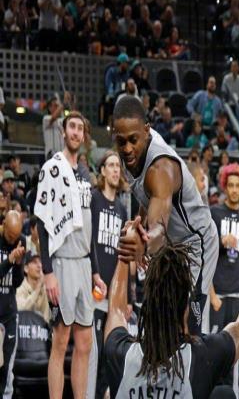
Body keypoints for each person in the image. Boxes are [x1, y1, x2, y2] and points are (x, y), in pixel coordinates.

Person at [104, 221, 239, 398]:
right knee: (224, 394)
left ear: (147, 306)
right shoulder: (200, 357)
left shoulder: (121, 354)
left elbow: (116, 310)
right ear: (185, 309)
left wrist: (126, 250)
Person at [113, 95, 218, 336]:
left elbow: (159, 230)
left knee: (188, 324)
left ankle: (194, 357)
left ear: (147, 130)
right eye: (121, 141)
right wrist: (140, 224)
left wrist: (145, 241)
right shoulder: (130, 155)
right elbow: (148, 198)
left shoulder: (161, 169)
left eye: (133, 140)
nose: (127, 148)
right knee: (159, 316)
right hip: (170, 244)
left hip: (196, 242)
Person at [35, 111, 107, 399]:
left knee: (85, 342)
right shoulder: (52, 168)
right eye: (72, 127)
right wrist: (48, 272)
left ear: (84, 136)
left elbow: (88, 227)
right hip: (62, 263)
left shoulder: (86, 174)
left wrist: (96, 272)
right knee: (61, 340)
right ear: (63, 132)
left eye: (80, 128)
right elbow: (42, 222)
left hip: (84, 264)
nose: (76, 132)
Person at [90, 151, 128, 399]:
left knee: (109, 351)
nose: (115, 170)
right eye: (111, 165)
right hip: (95, 287)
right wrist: (93, 273)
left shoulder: (123, 210)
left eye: (118, 166)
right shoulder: (94, 200)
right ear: (102, 171)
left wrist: (127, 296)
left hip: (114, 294)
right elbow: (89, 241)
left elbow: (125, 254)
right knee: (92, 350)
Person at [209, 163, 239, 394]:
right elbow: (204, 255)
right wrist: (220, 243)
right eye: (230, 185)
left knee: (234, 353)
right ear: (224, 186)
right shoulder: (215, 213)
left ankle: (231, 395)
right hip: (218, 295)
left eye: (237, 185)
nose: (233, 190)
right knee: (213, 351)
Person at [0, 211, 26, 398]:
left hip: (9, 313)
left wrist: (17, 264)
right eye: (9, 236)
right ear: (3, 225)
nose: (12, 241)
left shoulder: (20, 241)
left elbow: (17, 282)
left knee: (7, 369)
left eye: (15, 237)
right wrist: (9, 260)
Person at [16, 250, 50, 323]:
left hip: (42, 328)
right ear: (26, 269)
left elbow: (47, 317)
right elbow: (22, 309)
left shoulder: (45, 288)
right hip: (24, 327)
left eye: (40, 262)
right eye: (34, 262)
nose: (39, 266)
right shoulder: (20, 289)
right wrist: (38, 288)